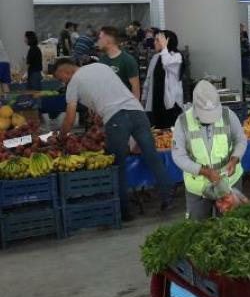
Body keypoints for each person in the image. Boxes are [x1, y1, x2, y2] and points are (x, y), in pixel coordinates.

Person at [54, 59, 173, 221]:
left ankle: (124, 212)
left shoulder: (73, 83)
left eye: (60, 78)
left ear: (65, 72)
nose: (62, 82)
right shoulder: (100, 66)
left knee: (118, 165)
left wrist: (61, 137)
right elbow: (109, 90)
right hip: (138, 112)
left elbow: (70, 117)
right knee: (152, 156)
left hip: (117, 120)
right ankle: (168, 198)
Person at [171, 80, 247, 220]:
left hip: (228, 182)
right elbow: (178, 156)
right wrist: (204, 171)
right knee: (198, 227)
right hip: (198, 186)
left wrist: (235, 159)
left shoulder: (228, 115)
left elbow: (241, 140)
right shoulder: (182, 122)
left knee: (232, 224)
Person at [142, 30, 184, 129]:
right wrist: (144, 98)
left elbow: (166, 63)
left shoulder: (176, 56)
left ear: (167, 41)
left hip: (172, 105)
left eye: (158, 40)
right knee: (157, 133)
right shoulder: (155, 57)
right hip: (155, 104)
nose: (154, 42)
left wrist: (164, 47)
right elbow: (148, 79)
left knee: (171, 132)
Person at [97, 26, 141, 101]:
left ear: (107, 40)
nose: (98, 41)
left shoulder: (128, 60)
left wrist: (134, 107)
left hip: (123, 105)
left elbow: (136, 88)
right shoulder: (102, 60)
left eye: (100, 38)